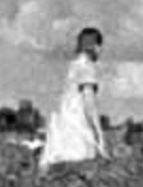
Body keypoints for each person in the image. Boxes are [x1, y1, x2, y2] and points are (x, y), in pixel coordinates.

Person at [39, 26, 109, 168]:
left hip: (62, 126)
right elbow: (89, 103)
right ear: (95, 46)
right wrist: (99, 134)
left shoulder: (73, 66)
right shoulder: (87, 67)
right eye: (100, 46)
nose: (101, 51)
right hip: (77, 127)